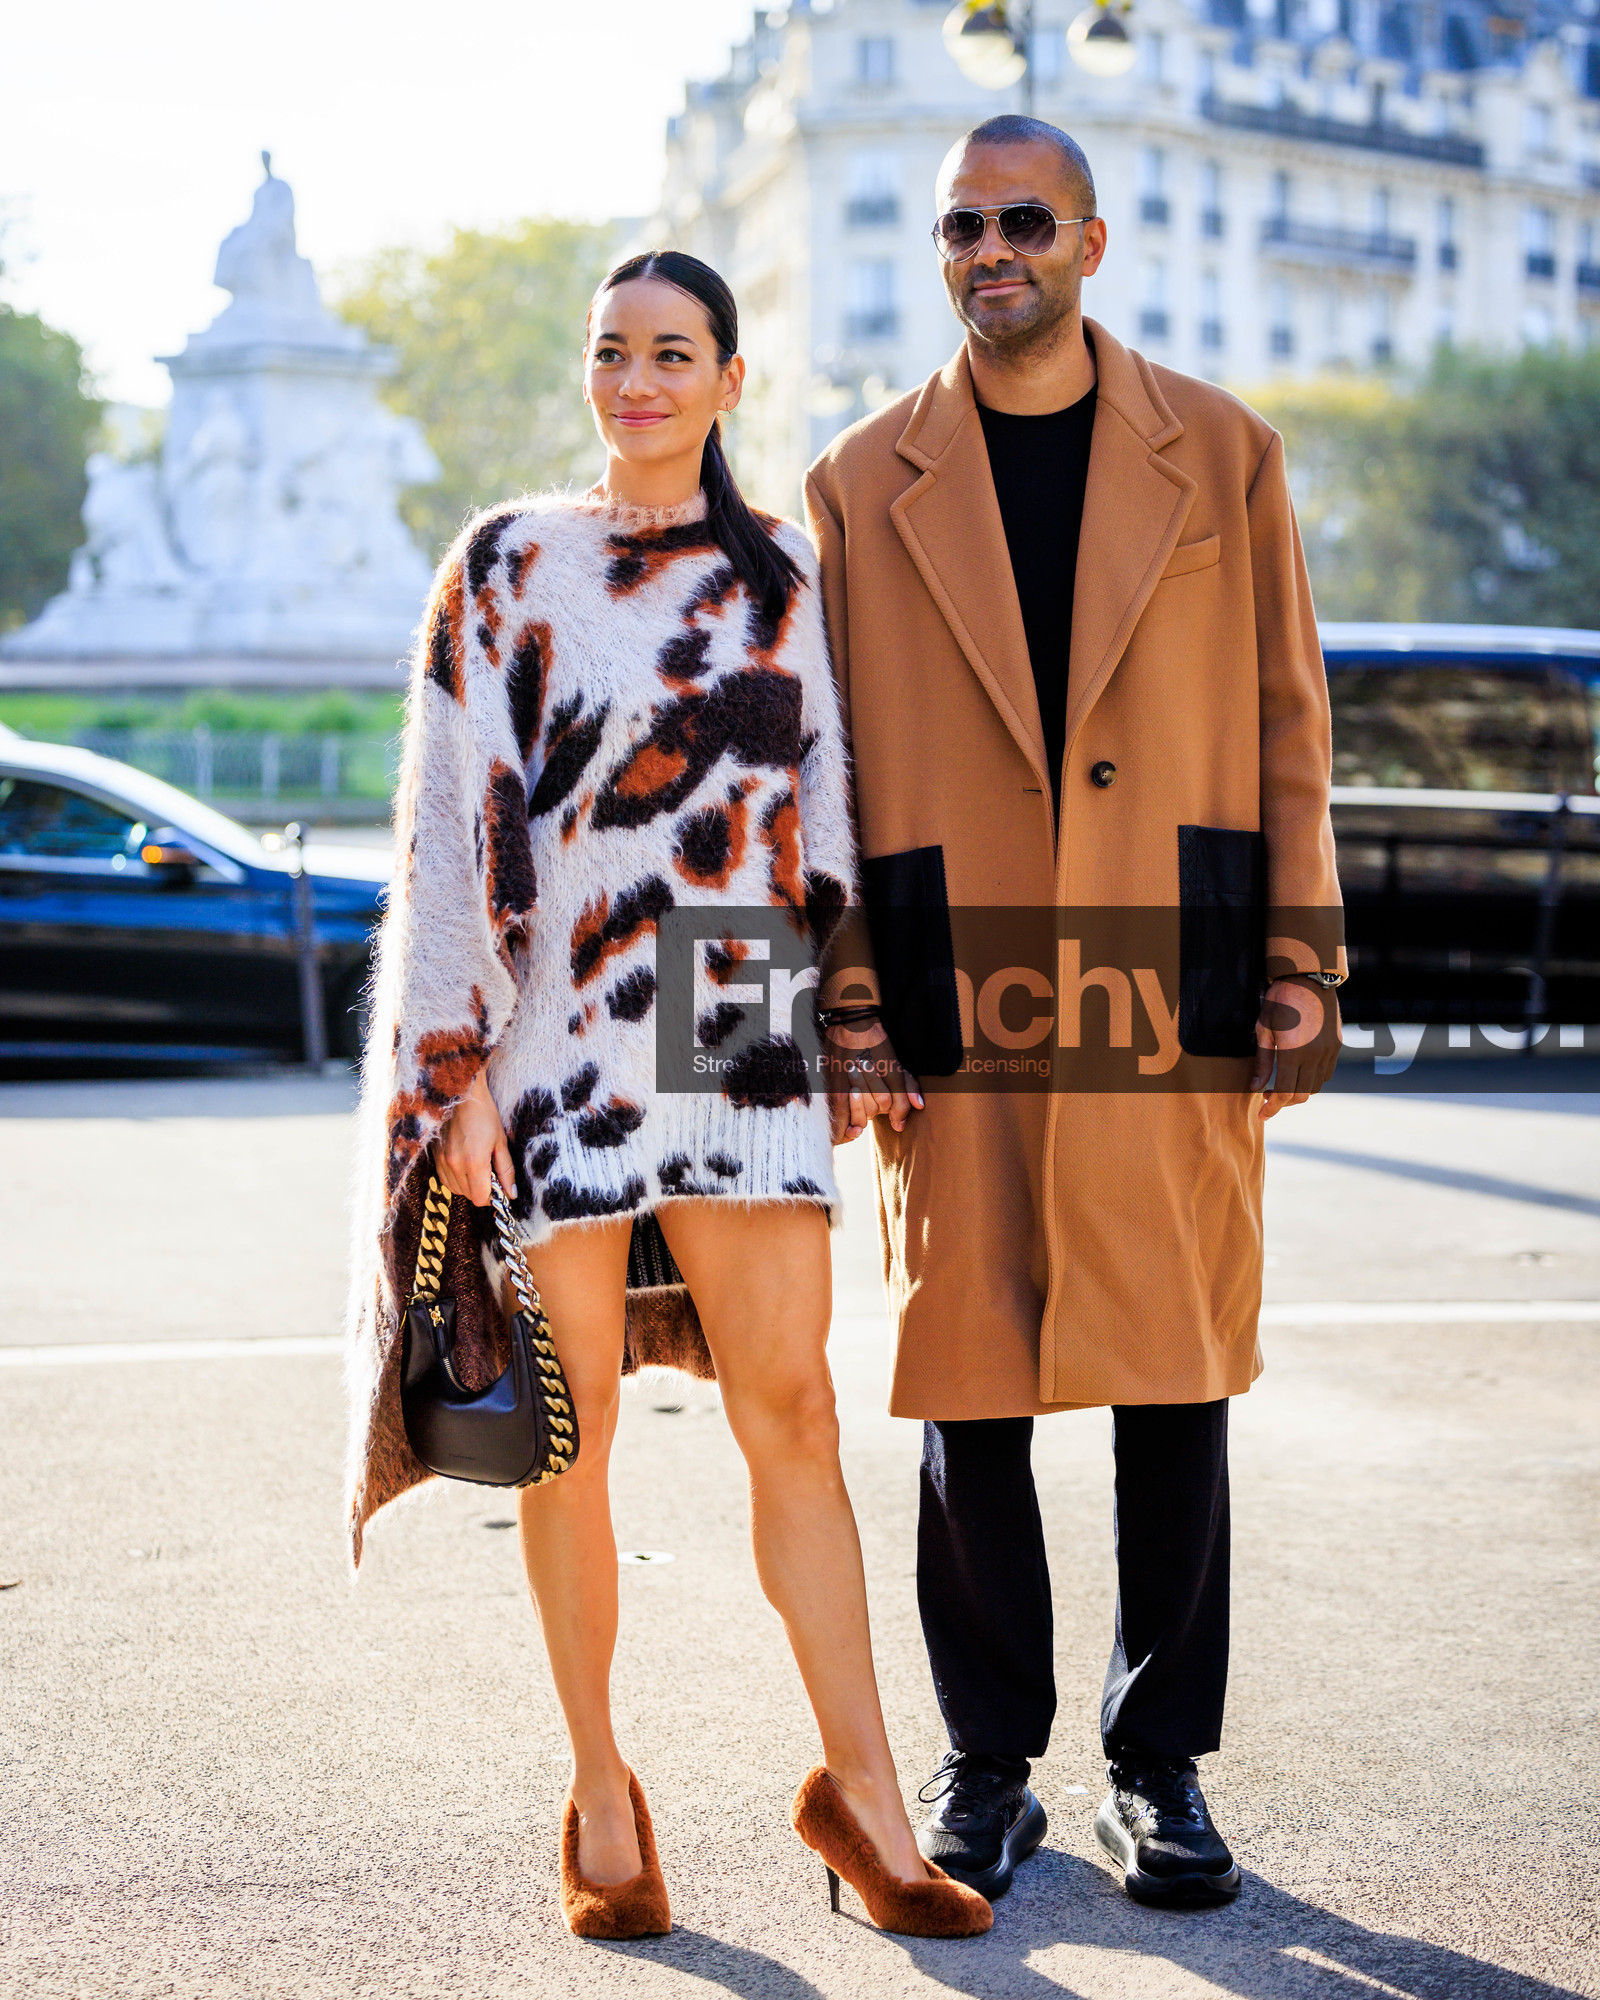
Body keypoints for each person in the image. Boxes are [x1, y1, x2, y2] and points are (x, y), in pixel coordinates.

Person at [343, 250, 991, 1944]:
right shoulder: (507, 562)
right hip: (554, 1012)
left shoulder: (783, 568)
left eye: (673, 353)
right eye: (612, 351)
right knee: (569, 1438)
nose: (637, 381)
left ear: (728, 379)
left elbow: (823, 806)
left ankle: (865, 1798)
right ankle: (602, 1795)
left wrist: (846, 1024)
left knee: (797, 1412)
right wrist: (455, 1068)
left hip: (731, 992)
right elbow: (446, 824)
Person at [807, 118, 1344, 1908]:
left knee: (1174, 1370)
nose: (991, 249)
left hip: (1168, 964)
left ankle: (1160, 1766)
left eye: (1024, 220)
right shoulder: (857, 481)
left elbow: (1288, 721)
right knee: (968, 1383)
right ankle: (987, 1762)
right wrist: (849, 999)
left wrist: (1300, 960)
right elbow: (828, 767)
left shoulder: (1227, 451)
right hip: (955, 970)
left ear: (1091, 242)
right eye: (962, 224)